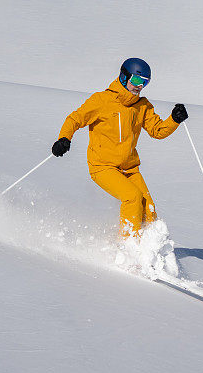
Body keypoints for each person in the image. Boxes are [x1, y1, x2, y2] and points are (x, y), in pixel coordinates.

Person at [52, 58, 188, 238]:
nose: (140, 86)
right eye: (137, 80)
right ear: (124, 77)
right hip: (102, 167)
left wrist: (174, 120)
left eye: (145, 83)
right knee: (132, 197)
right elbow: (75, 119)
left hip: (129, 168)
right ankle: (129, 248)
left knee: (149, 210)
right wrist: (64, 138)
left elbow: (157, 131)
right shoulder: (102, 101)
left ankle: (150, 251)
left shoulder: (142, 106)